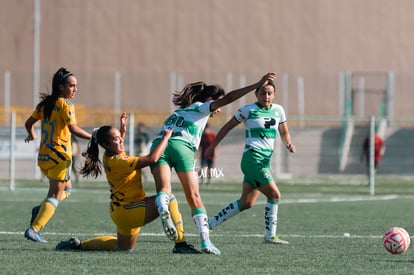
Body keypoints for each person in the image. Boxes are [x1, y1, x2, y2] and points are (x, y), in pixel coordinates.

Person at [150, 72, 278, 255]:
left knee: (164, 189)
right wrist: (255, 84)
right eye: (217, 103)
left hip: (159, 144)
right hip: (182, 146)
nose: (219, 109)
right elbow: (230, 98)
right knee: (194, 197)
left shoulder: (179, 111)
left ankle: (162, 203)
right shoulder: (203, 107)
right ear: (210, 99)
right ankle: (205, 241)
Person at [56, 113, 200, 253]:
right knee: (168, 198)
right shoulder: (120, 162)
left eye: (120, 138)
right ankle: (180, 244)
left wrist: (122, 131)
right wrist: (166, 138)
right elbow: (152, 158)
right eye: (116, 139)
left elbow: (118, 148)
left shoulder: (109, 155)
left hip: (120, 211)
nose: (120, 141)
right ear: (106, 144)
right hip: (131, 209)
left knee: (123, 247)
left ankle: (79, 245)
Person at [205, 79, 295, 245]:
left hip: (264, 161)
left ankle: (209, 224)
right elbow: (226, 127)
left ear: (274, 95)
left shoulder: (279, 110)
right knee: (275, 195)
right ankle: (270, 236)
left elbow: (284, 131)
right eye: (262, 93)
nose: (266, 96)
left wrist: (288, 143)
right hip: (253, 159)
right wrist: (212, 146)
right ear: (256, 94)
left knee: (246, 203)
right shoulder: (247, 110)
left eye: (269, 93)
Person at [24, 67, 92, 243]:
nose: (75, 89)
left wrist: (32, 135)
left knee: (66, 189)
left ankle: (40, 210)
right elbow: (73, 128)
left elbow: (28, 123)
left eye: (76, 86)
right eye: (71, 86)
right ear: (61, 87)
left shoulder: (44, 104)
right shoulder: (65, 104)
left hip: (44, 157)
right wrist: (95, 137)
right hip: (59, 156)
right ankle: (35, 229)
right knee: (55, 195)